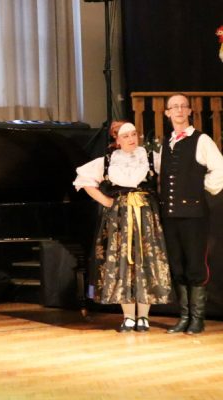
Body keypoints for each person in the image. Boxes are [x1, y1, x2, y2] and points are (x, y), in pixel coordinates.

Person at [74, 121, 171, 332]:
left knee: (146, 261)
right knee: (122, 262)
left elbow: (169, 177)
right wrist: (107, 202)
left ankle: (143, 316)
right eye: (126, 136)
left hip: (146, 216)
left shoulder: (150, 158)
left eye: (134, 134)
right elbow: (83, 180)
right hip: (119, 218)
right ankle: (128, 316)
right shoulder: (108, 161)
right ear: (117, 140)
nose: (131, 139)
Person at [156, 93, 223, 334]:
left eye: (183, 106)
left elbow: (220, 168)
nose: (179, 110)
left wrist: (200, 188)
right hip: (170, 215)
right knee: (177, 265)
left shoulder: (201, 140)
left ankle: (197, 318)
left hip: (194, 215)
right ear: (167, 113)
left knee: (195, 265)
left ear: (189, 111)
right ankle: (183, 317)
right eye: (174, 107)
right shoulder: (166, 142)